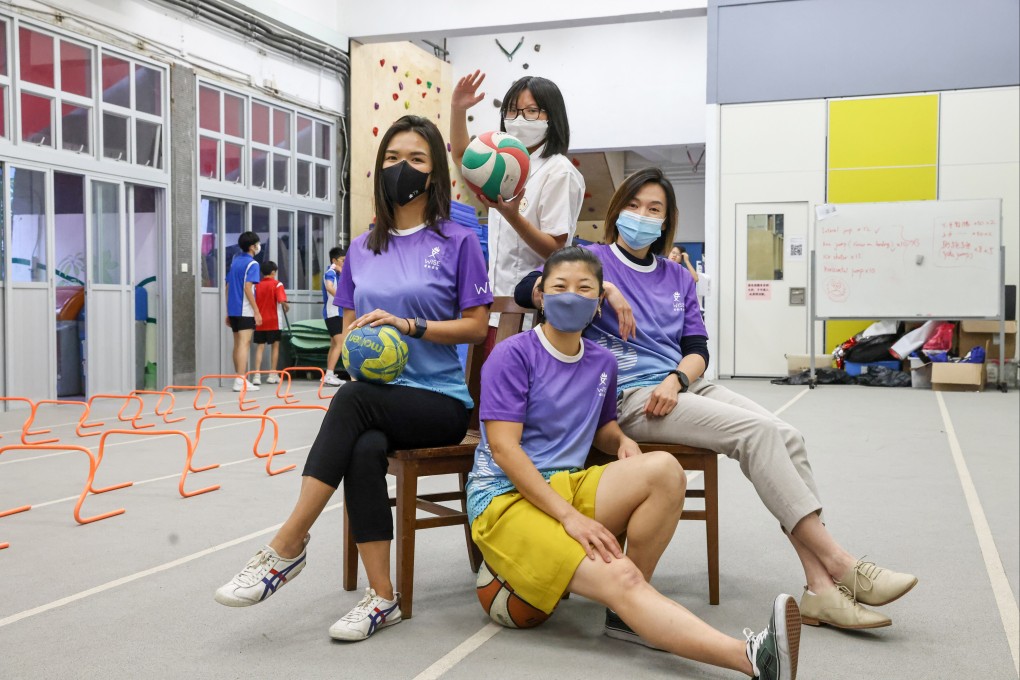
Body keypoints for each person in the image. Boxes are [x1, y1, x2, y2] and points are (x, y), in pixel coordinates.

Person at [515, 168, 916, 631]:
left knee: (788, 435)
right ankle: (841, 565)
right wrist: (603, 286)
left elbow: (697, 350)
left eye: (653, 209)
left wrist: (677, 380)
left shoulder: (677, 276)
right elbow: (530, 290)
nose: (641, 215)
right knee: (757, 432)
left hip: (677, 386)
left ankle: (820, 588)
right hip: (630, 396)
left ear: (666, 221)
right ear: (617, 210)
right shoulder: (592, 259)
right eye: (633, 205)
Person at [214, 115, 492, 642]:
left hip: (438, 401)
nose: (402, 167)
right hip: (378, 396)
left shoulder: (458, 240)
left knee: (351, 401)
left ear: (434, 173)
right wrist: (363, 352)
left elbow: (478, 327)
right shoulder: (361, 249)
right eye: (393, 158)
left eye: (416, 159)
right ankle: (382, 597)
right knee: (363, 447)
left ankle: (287, 545)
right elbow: (348, 331)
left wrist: (409, 325)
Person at [469, 246, 800, 680]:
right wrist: (570, 518)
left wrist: (622, 440)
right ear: (542, 297)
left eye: (584, 288)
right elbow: (504, 450)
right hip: (505, 499)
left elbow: (602, 425)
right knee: (622, 576)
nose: (571, 296)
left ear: (597, 304)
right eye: (560, 287)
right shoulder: (512, 355)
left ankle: (627, 616)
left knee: (664, 470)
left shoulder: (602, 361)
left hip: (565, 483)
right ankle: (752, 658)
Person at [451, 71, 585, 353]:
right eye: (512, 110)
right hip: (493, 307)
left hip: (532, 313)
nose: (519, 119)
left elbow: (556, 248)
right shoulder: (503, 161)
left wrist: (512, 216)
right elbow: (464, 159)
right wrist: (458, 110)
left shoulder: (559, 171)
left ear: (552, 116)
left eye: (532, 111)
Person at [224, 231, 262, 392]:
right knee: (244, 344)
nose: (259, 246)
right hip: (245, 309)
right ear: (252, 247)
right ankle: (240, 380)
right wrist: (256, 311)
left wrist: (228, 311)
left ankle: (239, 378)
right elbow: (248, 287)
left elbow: (227, 287)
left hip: (234, 310)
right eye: (257, 244)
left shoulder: (235, 262)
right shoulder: (252, 264)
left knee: (237, 344)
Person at [252, 260, 290, 385]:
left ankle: (256, 375)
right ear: (273, 272)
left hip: (260, 321)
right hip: (274, 321)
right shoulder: (277, 284)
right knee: (275, 346)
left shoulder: (256, 285)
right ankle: (272, 374)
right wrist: (286, 306)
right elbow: (281, 300)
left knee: (260, 347)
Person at [322, 246, 347, 387]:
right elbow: (329, 287)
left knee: (334, 344)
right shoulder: (330, 272)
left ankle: (329, 374)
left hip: (337, 313)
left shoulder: (337, 272)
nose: (344, 263)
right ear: (334, 260)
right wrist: (341, 299)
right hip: (333, 313)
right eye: (342, 260)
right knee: (339, 344)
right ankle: (329, 375)